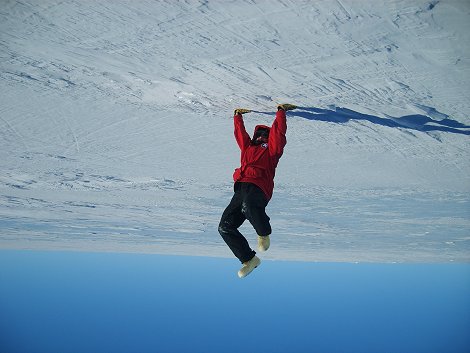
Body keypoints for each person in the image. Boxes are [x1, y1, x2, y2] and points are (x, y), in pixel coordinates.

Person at [218, 104, 296, 278]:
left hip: (259, 186)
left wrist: (281, 112)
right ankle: (249, 259)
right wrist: (237, 116)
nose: (261, 136)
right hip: (241, 187)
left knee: (248, 207)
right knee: (224, 227)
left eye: (264, 134)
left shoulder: (272, 150)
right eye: (258, 134)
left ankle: (263, 233)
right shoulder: (248, 148)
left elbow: (279, 133)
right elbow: (240, 136)